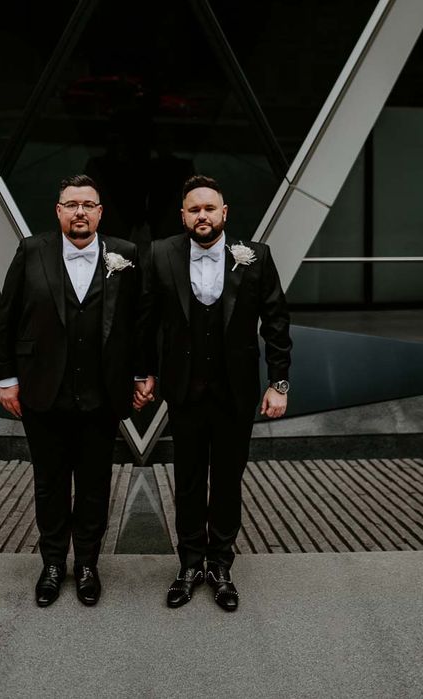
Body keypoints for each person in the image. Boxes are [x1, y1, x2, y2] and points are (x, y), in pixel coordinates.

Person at [135, 175, 292, 612]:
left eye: (209, 208)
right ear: (182, 215)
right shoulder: (161, 253)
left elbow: (276, 323)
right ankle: (189, 564)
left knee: (227, 480)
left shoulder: (255, 257)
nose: (201, 216)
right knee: (186, 481)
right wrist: (142, 373)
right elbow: (145, 320)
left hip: (235, 392)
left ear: (224, 214)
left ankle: (220, 565)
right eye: (193, 209)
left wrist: (278, 383)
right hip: (183, 391)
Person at [0, 174, 141, 607]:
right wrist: (7, 379)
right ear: (58, 211)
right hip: (43, 391)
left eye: (88, 204)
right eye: (71, 204)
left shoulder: (126, 255)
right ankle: (54, 564)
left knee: (95, 484)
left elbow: (137, 323)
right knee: (49, 483)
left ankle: (89, 565)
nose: (80, 211)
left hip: (101, 395)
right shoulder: (30, 251)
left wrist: (140, 373)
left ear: (100, 212)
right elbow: (8, 319)